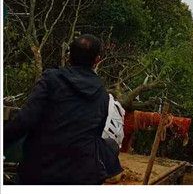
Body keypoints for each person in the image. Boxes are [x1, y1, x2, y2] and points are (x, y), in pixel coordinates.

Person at [3, 34, 122, 184]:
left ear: (69, 56)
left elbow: (24, 120)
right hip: (79, 175)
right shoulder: (103, 95)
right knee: (109, 145)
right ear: (97, 60)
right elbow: (95, 135)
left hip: (37, 171)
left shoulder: (51, 79)